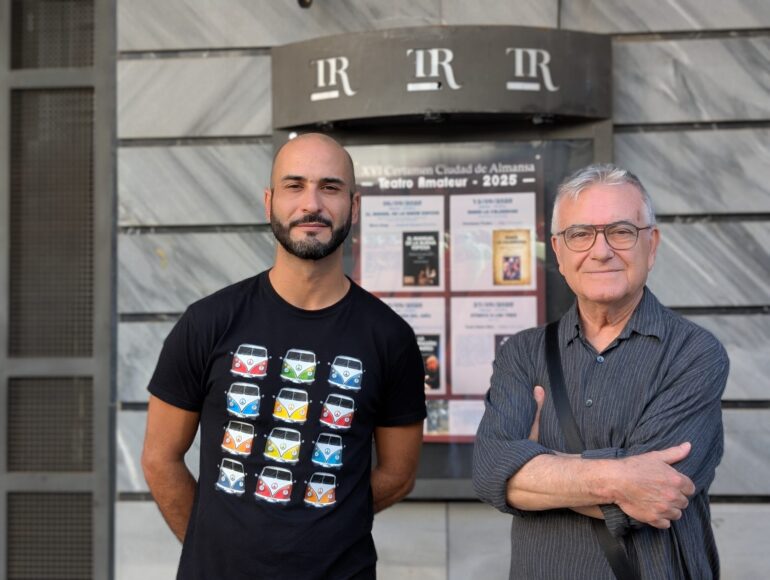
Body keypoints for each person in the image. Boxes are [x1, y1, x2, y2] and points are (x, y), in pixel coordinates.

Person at [142, 133, 426, 580]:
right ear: (269, 202)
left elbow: (399, 473)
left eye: (330, 188)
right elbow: (160, 459)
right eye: (295, 186)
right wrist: (215, 547)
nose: (311, 204)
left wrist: (322, 531)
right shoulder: (208, 322)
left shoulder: (390, 337)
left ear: (354, 206)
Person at [473, 164, 728, 579]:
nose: (601, 250)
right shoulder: (522, 353)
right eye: (580, 234)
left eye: (622, 231)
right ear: (557, 250)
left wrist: (535, 464)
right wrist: (624, 474)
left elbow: (659, 495)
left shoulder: (694, 353)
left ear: (653, 244)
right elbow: (489, 474)